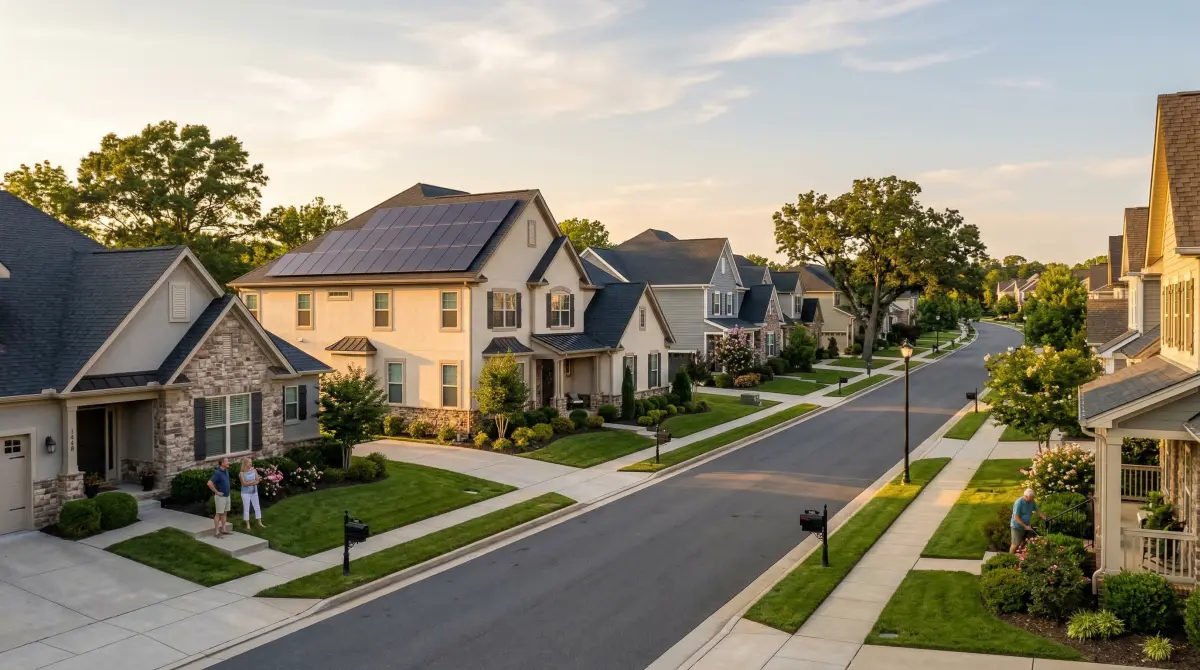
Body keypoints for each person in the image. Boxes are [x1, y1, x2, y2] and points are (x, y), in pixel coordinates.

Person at [1010, 488, 1047, 552]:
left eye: (1033, 498)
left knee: (1023, 543)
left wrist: (1045, 517)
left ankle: (1018, 557)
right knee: (1015, 544)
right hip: (1017, 527)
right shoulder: (1019, 503)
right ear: (1026, 496)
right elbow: (1016, 517)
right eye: (1031, 498)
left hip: (1026, 526)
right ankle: (1009, 558)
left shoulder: (1031, 501)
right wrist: (1025, 526)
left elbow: (1037, 510)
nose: (1032, 499)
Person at [207, 457, 231, 538]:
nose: (228, 462)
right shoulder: (218, 473)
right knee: (218, 514)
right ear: (222, 463)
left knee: (225, 513)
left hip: (227, 496)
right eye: (227, 461)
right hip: (220, 497)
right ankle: (216, 532)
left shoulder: (226, 471)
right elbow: (209, 483)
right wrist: (217, 492)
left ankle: (223, 529)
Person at [239, 456, 266, 531]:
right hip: (245, 493)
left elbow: (258, 480)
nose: (251, 463)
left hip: (254, 492)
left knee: (257, 507)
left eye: (251, 462)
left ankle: (259, 522)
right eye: (249, 462)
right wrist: (252, 482)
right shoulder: (242, 473)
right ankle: (248, 524)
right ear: (246, 463)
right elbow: (244, 484)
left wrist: (251, 482)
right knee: (246, 508)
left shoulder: (254, 470)